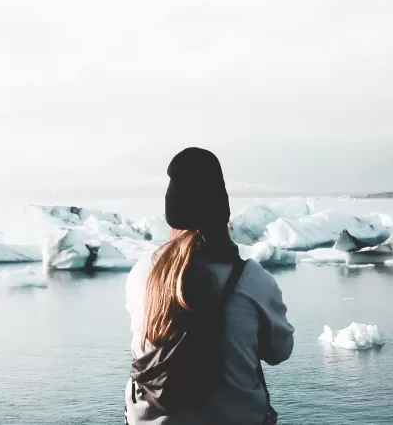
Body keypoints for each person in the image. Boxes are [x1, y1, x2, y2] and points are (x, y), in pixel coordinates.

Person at [124, 147, 294, 425]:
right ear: (222, 211)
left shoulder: (142, 274)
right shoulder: (253, 280)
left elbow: (141, 344)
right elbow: (280, 351)